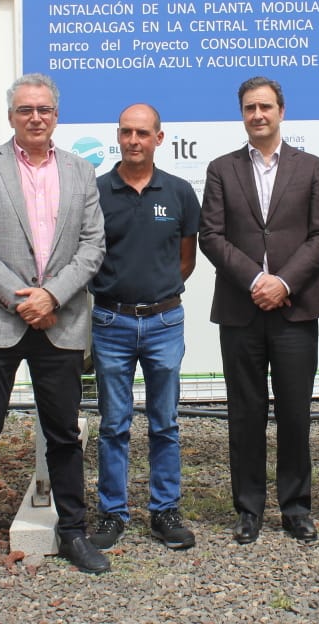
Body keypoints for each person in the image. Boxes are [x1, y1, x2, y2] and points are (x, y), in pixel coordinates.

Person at [0, 73, 108, 584]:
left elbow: (93, 246)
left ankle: (73, 532)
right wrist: (23, 299)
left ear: (56, 115)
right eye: (24, 110)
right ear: (11, 115)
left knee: (62, 433)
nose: (34, 117)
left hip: (59, 321)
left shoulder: (81, 170)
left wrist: (52, 295)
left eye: (43, 109)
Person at [199, 76, 319, 545]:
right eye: (250, 107)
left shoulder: (311, 166)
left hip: (296, 309)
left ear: (281, 111)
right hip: (242, 308)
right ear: (242, 113)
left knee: (295, 413)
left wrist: (284, 282)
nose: (258, 115)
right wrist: (257, 280)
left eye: (266, 107)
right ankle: (248, 509)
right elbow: (211, 236)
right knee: (245, 412)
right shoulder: (221, 168)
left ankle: (296, 507)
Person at [88, 103, 201, 552]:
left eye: (142, 133)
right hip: (111, 320)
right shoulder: (95, 192)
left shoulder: (177, 192)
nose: (133, 140)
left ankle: (164, 510)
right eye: (126, 132)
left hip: (164, 321)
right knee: (113, 423)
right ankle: (113, 513)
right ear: (118, 136)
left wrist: (159, 292)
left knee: (164, 422)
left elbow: (186, 258)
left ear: (159, 137)